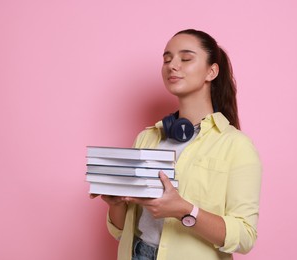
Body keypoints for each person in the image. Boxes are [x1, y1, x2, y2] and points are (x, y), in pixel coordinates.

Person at [91, 29, 262, 260]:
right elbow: (122, 230)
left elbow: (244, 237)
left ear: (211, 71)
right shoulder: (147, 138)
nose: (172, 65)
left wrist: (185, 210)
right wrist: (116, 204)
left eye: (186, 58)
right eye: (167, 59)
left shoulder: (237, 146)